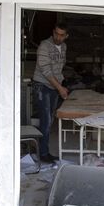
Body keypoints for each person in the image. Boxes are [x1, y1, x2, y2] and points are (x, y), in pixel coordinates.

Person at [33, 22, 69, 163]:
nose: (57, 37)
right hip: (42, 85)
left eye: (61, 35)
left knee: (50, 120)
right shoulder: (44, 46)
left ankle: (44, 150)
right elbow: (46, 71)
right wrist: (60, 88)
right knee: (46, 120)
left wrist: (60, 85)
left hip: (54, 87)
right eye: (56, 33)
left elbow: (59, 68)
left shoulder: (64, 47)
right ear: (53, 32)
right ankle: (42, 153)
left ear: (66, 36)